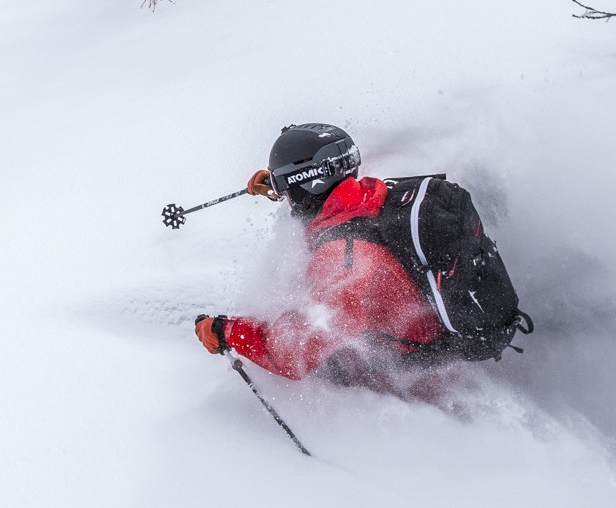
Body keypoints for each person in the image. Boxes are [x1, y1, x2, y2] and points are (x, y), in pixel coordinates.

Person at [192, 123, 449, 385]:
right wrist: (279, 183)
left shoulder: (345, 261)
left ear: (309, 183)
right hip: (395, 329)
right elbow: (319, 196)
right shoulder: (366, 199)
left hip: (416, 371)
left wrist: (226, 332)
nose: (287, 198)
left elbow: (292, 352)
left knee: (323, 363)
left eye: (287, 189)